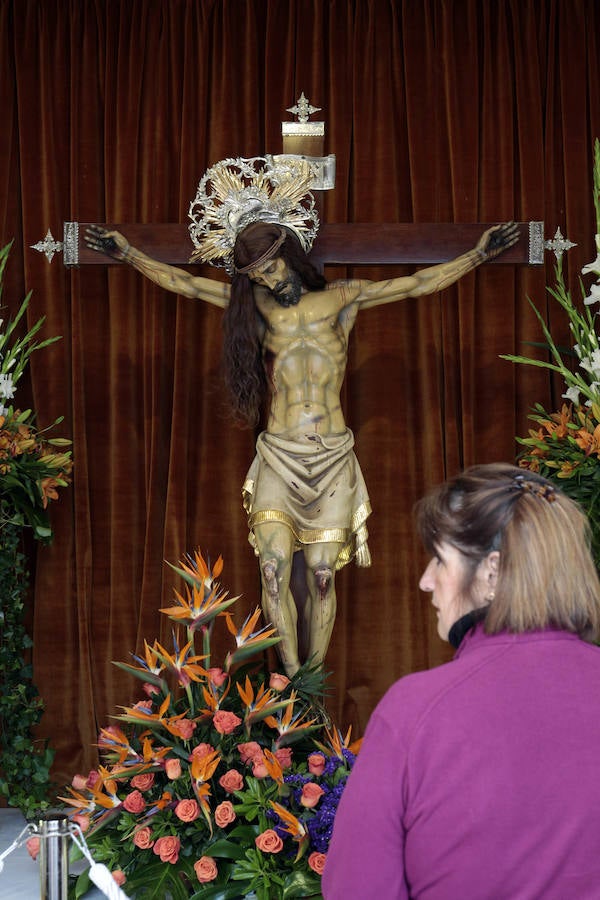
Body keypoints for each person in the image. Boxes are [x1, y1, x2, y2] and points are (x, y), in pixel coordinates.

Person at [85, 156, 519, 676]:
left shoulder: (341, 299)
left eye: (269, 267)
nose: (266, 280)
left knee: (320, 578)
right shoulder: (259, 311)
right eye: (255, 275)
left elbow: (417, 284)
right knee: (271, 570)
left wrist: (476, 256)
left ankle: (311, 683)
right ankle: (293, 682)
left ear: (286, 254)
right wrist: (129, 254)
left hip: (332, 455)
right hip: (279, 451)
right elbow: (187, 286)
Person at [322, 463, 600, 899]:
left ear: (492, 572)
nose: (425, 581)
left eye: (439, 559)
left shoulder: (413, 713)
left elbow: (358, 889)